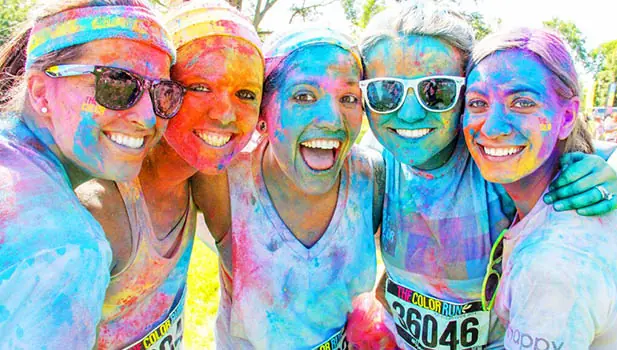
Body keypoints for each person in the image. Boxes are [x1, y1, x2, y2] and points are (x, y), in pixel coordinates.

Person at [357, 2, 617, 348]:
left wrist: (609, 175)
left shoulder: (495, 164)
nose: (408, 114)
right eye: (385, 92)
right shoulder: (377, 165)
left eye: (437, 91)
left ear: (466, 91)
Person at [74, 1, 264, 348]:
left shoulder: (203, 177)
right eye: (200, 87)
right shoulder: (99, 209)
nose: (224, 114)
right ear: (161, 90)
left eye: (246, 94)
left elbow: (252, 280)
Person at [0, 0, 180, 347]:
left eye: (162, 93)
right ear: (40, 91)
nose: (147, 118)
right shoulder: (67, 248)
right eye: (116, 84)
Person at [192, 27, 385, 349]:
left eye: (348, 98)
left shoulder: (371, 177)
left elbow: (402, 267)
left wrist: (374, 312)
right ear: (263, 113)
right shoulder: (224, 181)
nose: (331, 119)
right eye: (304, 96)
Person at [463, 27, 617, 348]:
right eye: (477, 103)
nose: (491, 128)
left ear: (566, 117)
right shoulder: (534, 201)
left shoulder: (553, 263)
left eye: (522, 102)